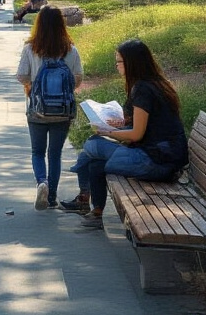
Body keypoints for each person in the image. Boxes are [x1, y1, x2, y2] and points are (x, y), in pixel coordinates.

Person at [62, 38, 188, 228]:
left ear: (131, 63)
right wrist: (123, 123)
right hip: (163, 160)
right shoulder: (156, 84)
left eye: (119, 61)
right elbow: (149, 124)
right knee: (96, 163)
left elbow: (136, 135)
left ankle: (80, 182)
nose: (117, 66)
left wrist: (110, 131)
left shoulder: (143, 89)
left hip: (155, 162)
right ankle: (95, 212)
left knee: (92, 144)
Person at [16, 6, 84, 211]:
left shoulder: (31, 48)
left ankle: (42, 183)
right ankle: (52, 196)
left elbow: (21, 75)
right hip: (62, 112)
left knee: (37, 151)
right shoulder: (70, 50)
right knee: (55, 154)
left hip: (37, 110)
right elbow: (78, 79)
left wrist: (32, 85)